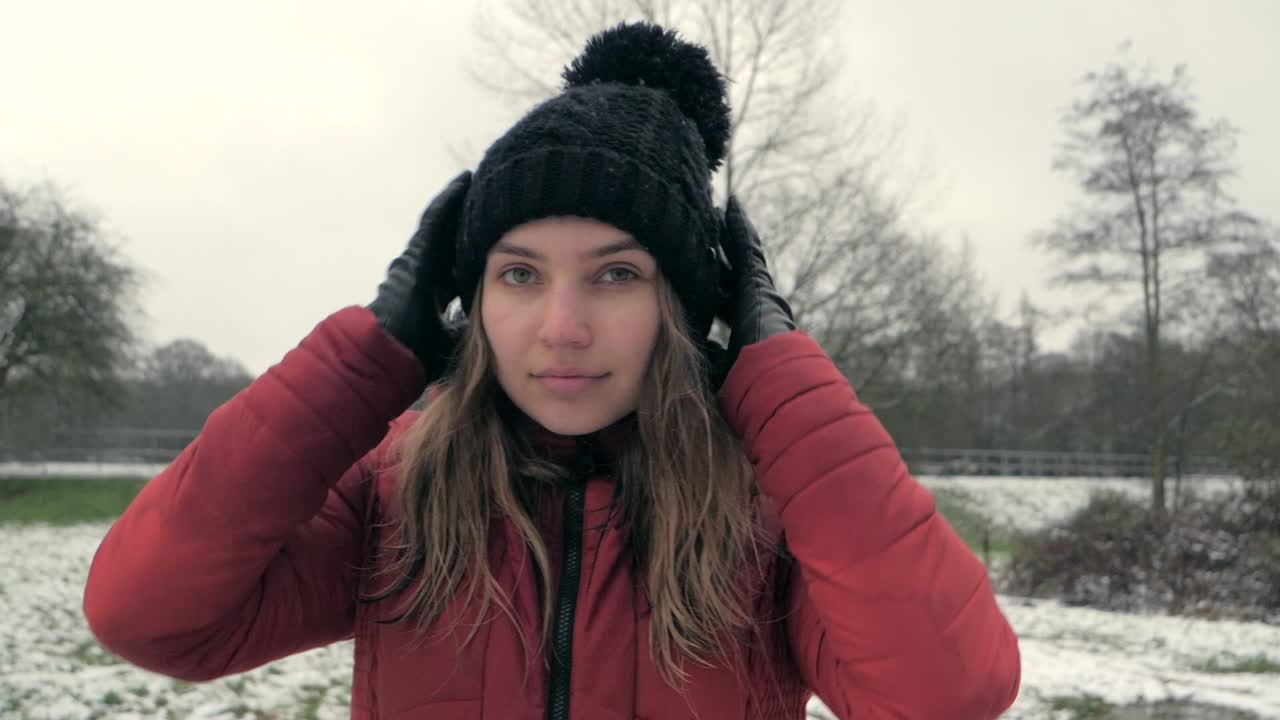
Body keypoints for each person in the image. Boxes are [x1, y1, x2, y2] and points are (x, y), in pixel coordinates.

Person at [83, 21, 1020, 720]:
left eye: (617, 275)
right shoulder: (395, 497)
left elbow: (949, 691)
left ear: (687, 311)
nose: (561, 327)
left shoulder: (767, 521)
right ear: (466, 299)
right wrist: (370, 355)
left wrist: (777, 376)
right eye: (519, 274)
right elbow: (148, 615)